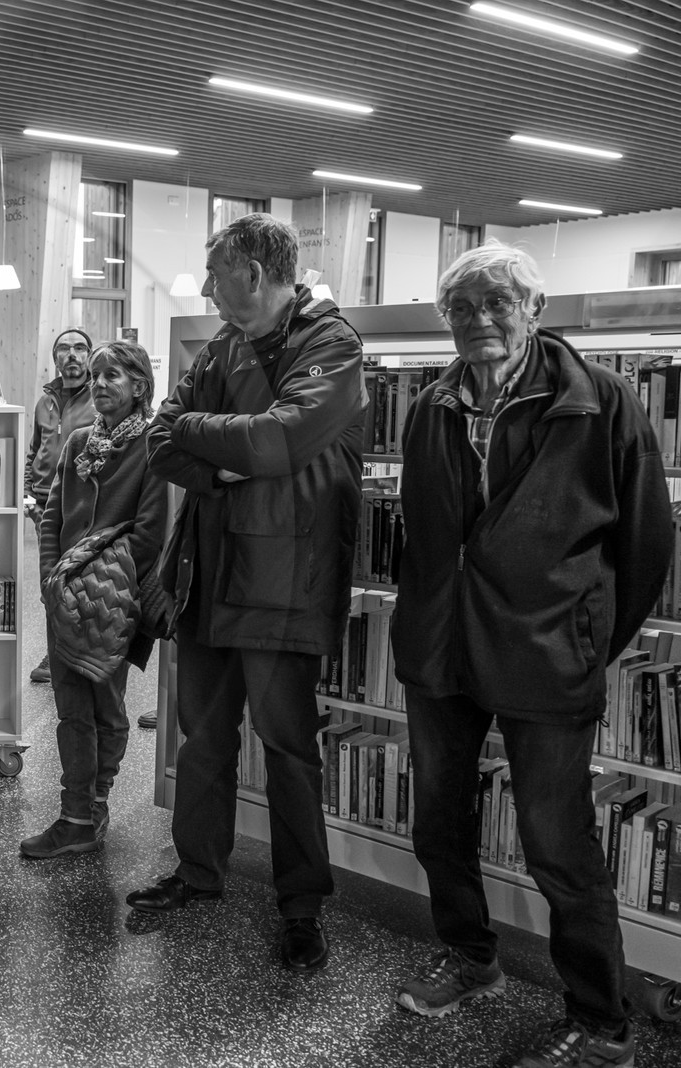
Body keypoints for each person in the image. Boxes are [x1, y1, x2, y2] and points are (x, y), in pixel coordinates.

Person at [389, 242, 673, 1068]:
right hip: (441, 647)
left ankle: (600, 1019)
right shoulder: (431, 404)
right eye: (464, 307)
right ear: (446, 320)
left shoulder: (601, 402)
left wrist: (589, 641)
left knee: (559, 843)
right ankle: (471, 959)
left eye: (498, 303)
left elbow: (646, 542)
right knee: (438, 821)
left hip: (548, 653)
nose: (480, 319)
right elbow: (423, 527)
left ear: (533, 311)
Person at [130, 213, 364, 976]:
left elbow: (281, 440)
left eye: (214, 273)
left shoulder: (332, 346)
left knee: (290, 750)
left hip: (285, 584)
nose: (204, 287)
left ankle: (301, 908)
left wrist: (207, 434)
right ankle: (198, 872)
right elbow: (161, 444)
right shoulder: (223, 345)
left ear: (255, 275)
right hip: (210, 575)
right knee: (201, 738)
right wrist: (220, 462)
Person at [21, 340, 168, 857]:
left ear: (140, 386)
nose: (101, 384)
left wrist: (88, 574)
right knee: (69, 711)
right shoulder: (80, 439)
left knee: (107, 708)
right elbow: (52, 518)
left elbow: (150, 534)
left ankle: (96, 801)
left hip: (113, 602)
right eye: (98, 376)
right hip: (62, 599)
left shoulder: (154, 444)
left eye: (114, 376)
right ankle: (74, 814)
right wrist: (49, 581)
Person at [25, 328, 96, 688]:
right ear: (55, 358)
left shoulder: (100, 398)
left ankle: (76, 655)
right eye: (64, 349)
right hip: (41, 507)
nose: (72, 354)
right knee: (48, 580)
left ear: (90, 355)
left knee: (77, 582)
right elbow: (33, 451)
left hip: (79, 506)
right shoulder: (45, 401)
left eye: (80, 348)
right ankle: (55, 653)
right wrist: (26, 494)